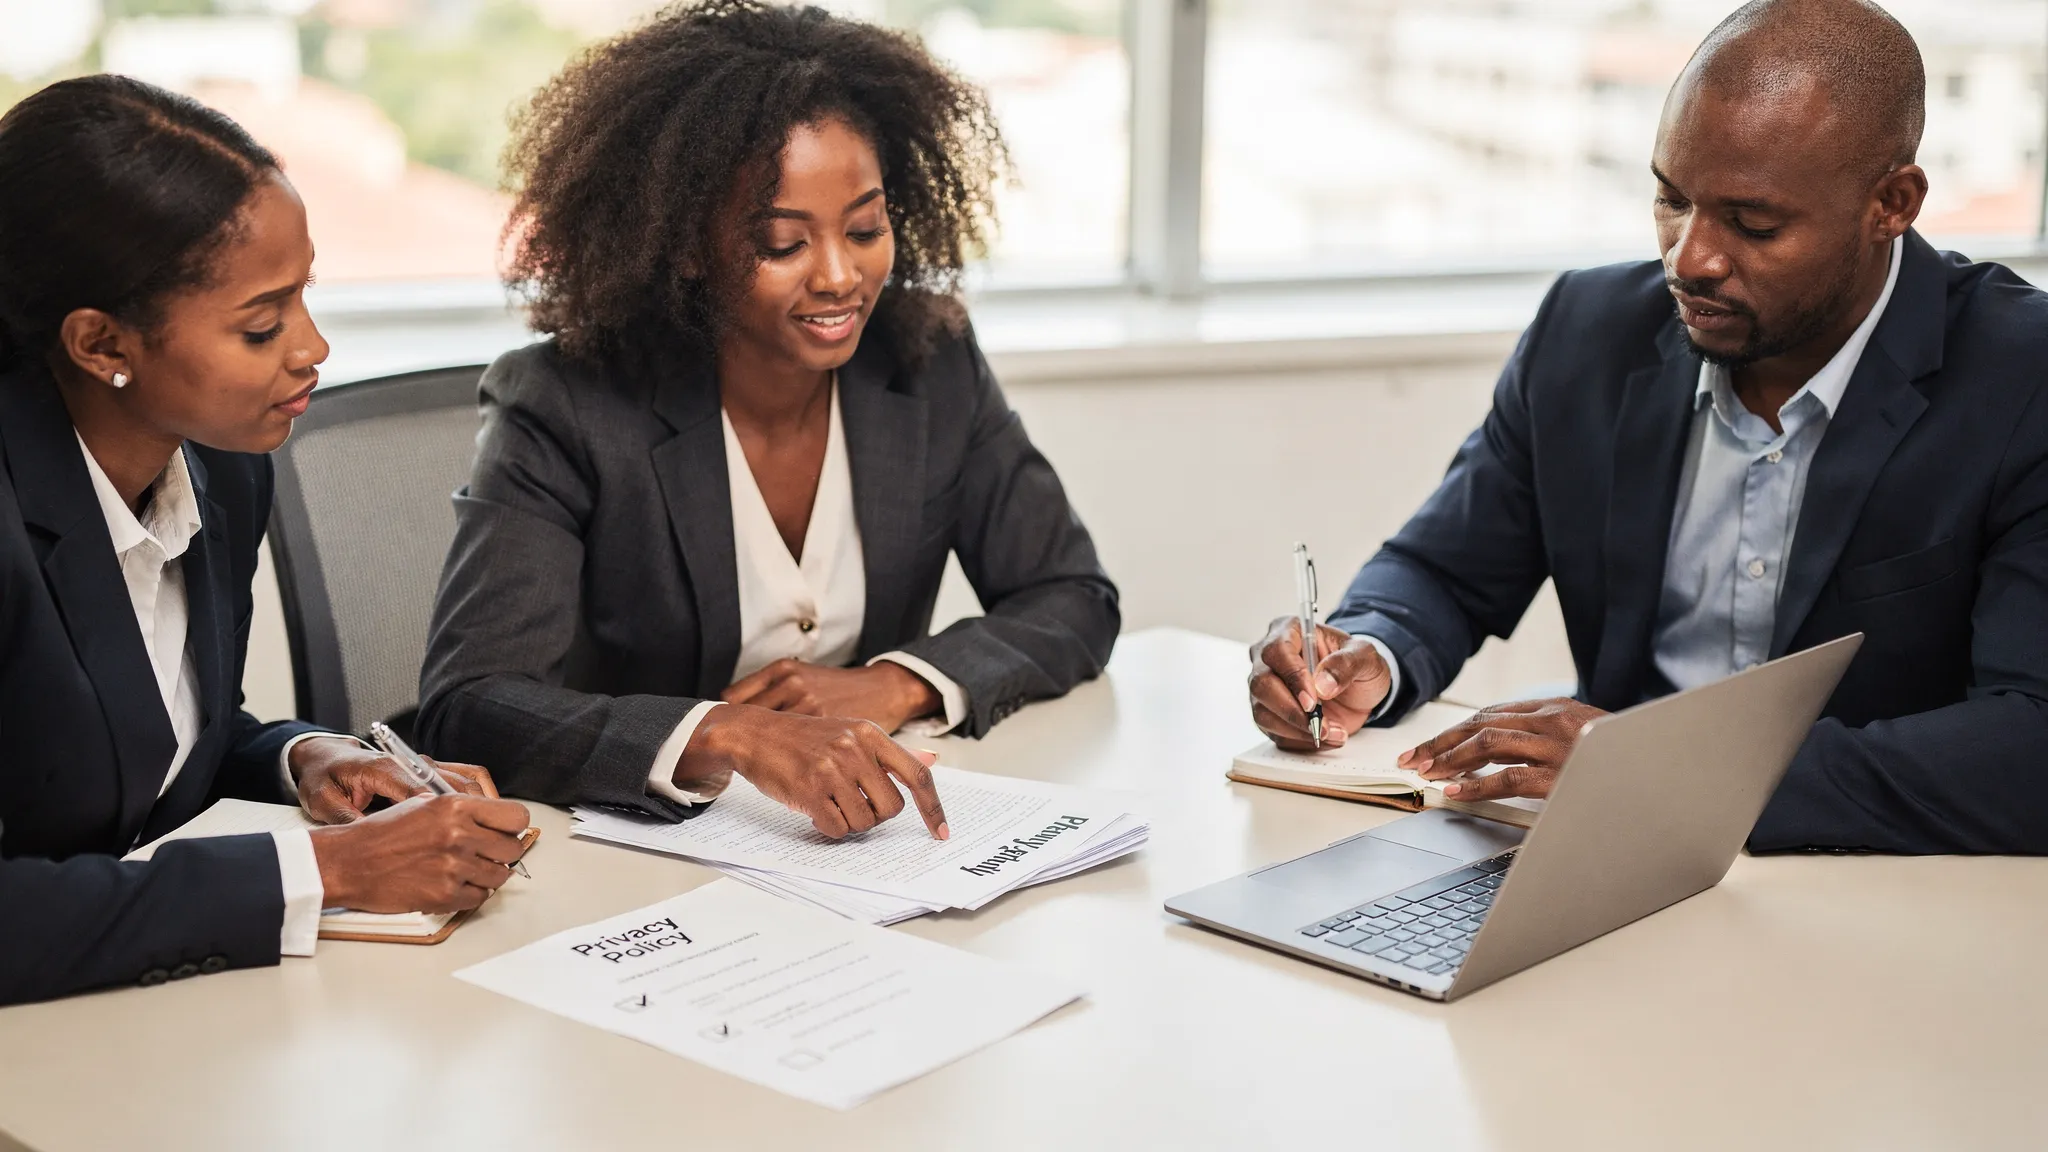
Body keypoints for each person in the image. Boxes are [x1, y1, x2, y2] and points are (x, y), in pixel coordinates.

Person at [1249, 0, 2048, 855]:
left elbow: (2029, 746)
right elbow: (1444, 568)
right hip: (1609, 863)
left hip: (1873, 886)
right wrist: (1367, 656)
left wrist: (1666, 769)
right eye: (1671, 199)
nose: (1689, 258)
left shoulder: (2020, 378)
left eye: (1752, 223)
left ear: (1892, 203)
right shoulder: (1586, 332)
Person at [416, 0, 1119, 840]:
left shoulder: (928, 364)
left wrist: (899, 683)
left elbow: (1071, 596)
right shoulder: (566, 405)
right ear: (682, 246)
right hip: (634, 860)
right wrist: (725, 732)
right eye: (784, 244)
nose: (839, 276)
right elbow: (470, 703)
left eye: (866, 227)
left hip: (861, 850)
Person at [0, 76, 534, 1005]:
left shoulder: (220, 463)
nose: (312, 347)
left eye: (304, 298)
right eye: (261, 324)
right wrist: (333, 872)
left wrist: (307, 757)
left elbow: (149, 738)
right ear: (101, 345)